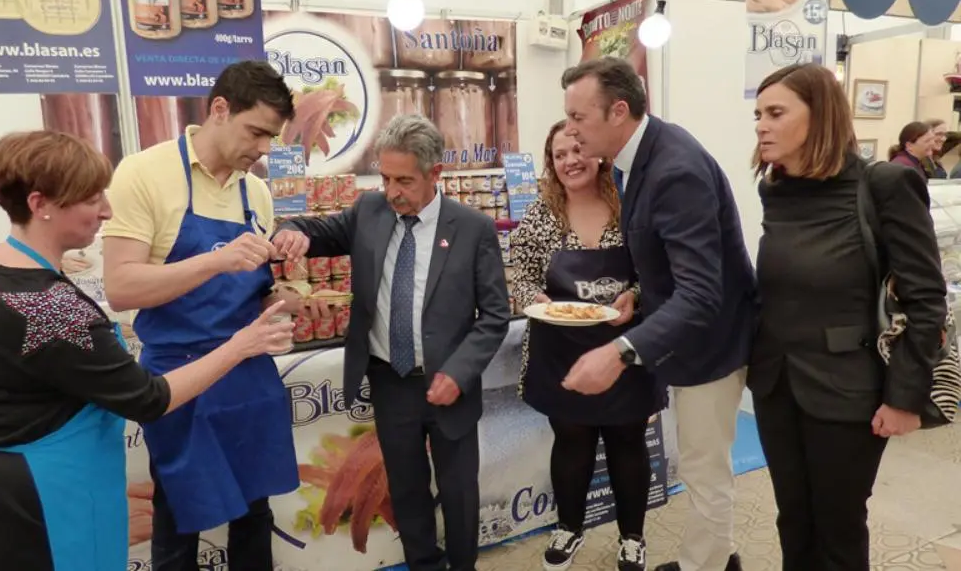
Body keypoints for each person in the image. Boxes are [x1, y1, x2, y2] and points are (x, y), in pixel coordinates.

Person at [0, 131, 294, 571]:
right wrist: (242, 345)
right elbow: (149, 398)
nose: (106, 210)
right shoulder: (49, 306)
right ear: (38, 204)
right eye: (91, 199)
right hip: (42, 494)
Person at [103, 61, 320, 571]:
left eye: (272, 136)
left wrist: (285, 295)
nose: (265, 148)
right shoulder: (144, 174)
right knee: (180, 514)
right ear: (220, 110)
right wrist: (217, 259)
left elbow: (255, 296)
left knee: (253, 511)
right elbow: (121, 286)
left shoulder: (257, 192)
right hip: (181, 376)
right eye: (257, 132)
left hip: (249, 375)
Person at [272, 114, 511, 571]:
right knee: (405, 488)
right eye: (385, 177)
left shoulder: (472, 229)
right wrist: (293, 230)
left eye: (404, 180)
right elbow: (321, 232)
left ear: (434, 174)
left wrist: (458, 374)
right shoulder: (370, 211)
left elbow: (495, 316)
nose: (392, 190)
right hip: (391, 381)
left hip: (448, 384)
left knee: (459, 491)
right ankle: (424, 564)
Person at [559, 58, 757, 571]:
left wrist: (620, 353)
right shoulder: (640, 158)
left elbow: (701, 292)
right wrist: (640, 293)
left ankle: (706, 566)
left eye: (579, 118)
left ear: (618, 110)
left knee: (703, 468)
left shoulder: (674, 169)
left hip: (710, 347)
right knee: (702, 465)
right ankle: (717, 558)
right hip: (689, 342)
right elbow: (669, 258)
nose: (572, 132)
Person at [752, 64, 945, 571]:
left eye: (775, 113)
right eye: (758, 114)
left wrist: (904, 398)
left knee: (837, 526)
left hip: (848, 388)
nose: (761, 126)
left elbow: (926, 299)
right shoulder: (777, 191)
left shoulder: (885, 185)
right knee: (793, 518)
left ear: (820, 117)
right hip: (777, 385)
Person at [512, 120, 665, 571]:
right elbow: (519, 269)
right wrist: (532, 298)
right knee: (572, 439)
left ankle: (632, 537)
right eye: (559, 155)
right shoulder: (543, 212)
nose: (570, 161)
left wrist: (634, 294)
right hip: (560, 347)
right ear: (551, 163)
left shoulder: (630, 205)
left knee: (627, 439)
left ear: (599, 153)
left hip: (627, 346)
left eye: (578, 150)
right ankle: (569, 528)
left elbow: (656, 268)